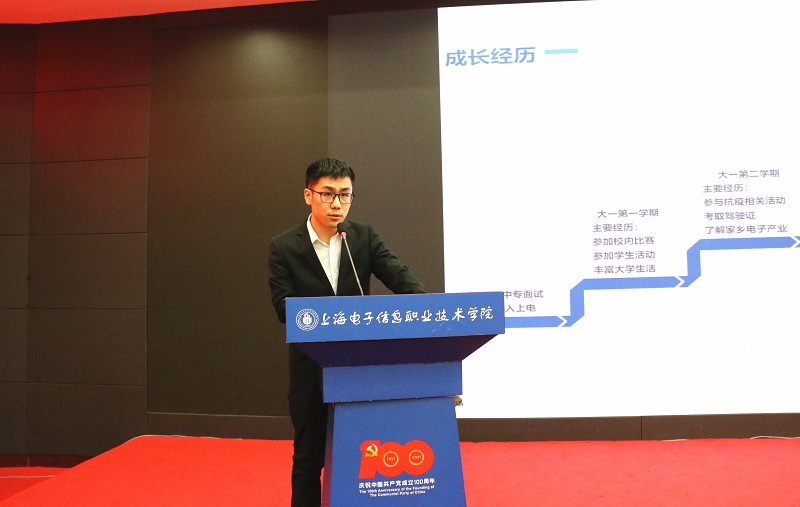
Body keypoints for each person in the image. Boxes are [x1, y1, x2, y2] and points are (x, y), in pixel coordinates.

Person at [268, 157, 427, 507]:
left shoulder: (363, 237)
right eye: (327, 194)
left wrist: (428, 306)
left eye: (345, 195)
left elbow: (398, 275)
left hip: (359, 370)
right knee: (308, 460)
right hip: (311, 372)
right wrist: (330, 317)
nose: (337, 204)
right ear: (308, 195)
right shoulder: (285, 246)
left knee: (365, 454)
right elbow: (283, 308)